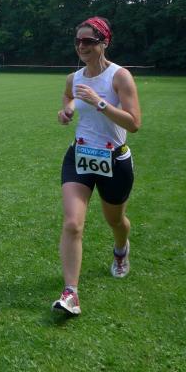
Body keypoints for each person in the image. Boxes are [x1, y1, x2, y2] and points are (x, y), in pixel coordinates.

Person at [52, 16, 142, 315]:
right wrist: (67, 110)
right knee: (72, 223)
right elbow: (69, 96)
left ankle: (120, 250)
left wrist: (99, 102)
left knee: (115, 221)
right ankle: (71, 293)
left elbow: (134, 123)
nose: (81, 46)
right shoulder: (74, 78)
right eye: (78, 41)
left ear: (104, 42)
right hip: (80, 156)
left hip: (114, 159)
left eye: (88, 41)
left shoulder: (120, 77)